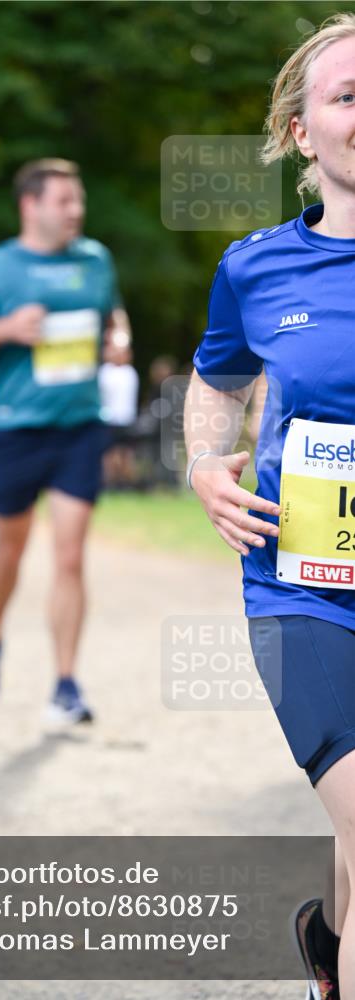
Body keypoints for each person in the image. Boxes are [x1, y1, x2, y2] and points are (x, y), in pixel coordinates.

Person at [184, 15, 355, 998]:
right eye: (347, 96)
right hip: (306, 591)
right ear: (301, 131)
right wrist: (207, 465)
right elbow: (216, 380)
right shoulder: (254, 267)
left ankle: (329, 951)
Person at [0, 158, 131, 725]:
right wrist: (5, 330)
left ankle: (66, 683)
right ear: (31, 205)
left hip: (79, 425)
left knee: (70, 556)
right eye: (64, 202)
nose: (76, 212)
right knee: (11, 549)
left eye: (79, 202)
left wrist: (118, 337)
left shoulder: (95, 259)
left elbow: (113, 313)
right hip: (15, 429)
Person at [99, 345, 139, 490]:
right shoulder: (105, 372)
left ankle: (125, 483)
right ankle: (109, 482)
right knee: (110, 453)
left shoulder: (130, 372)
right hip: (109, 418)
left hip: (126, 419)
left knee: (126, 454)